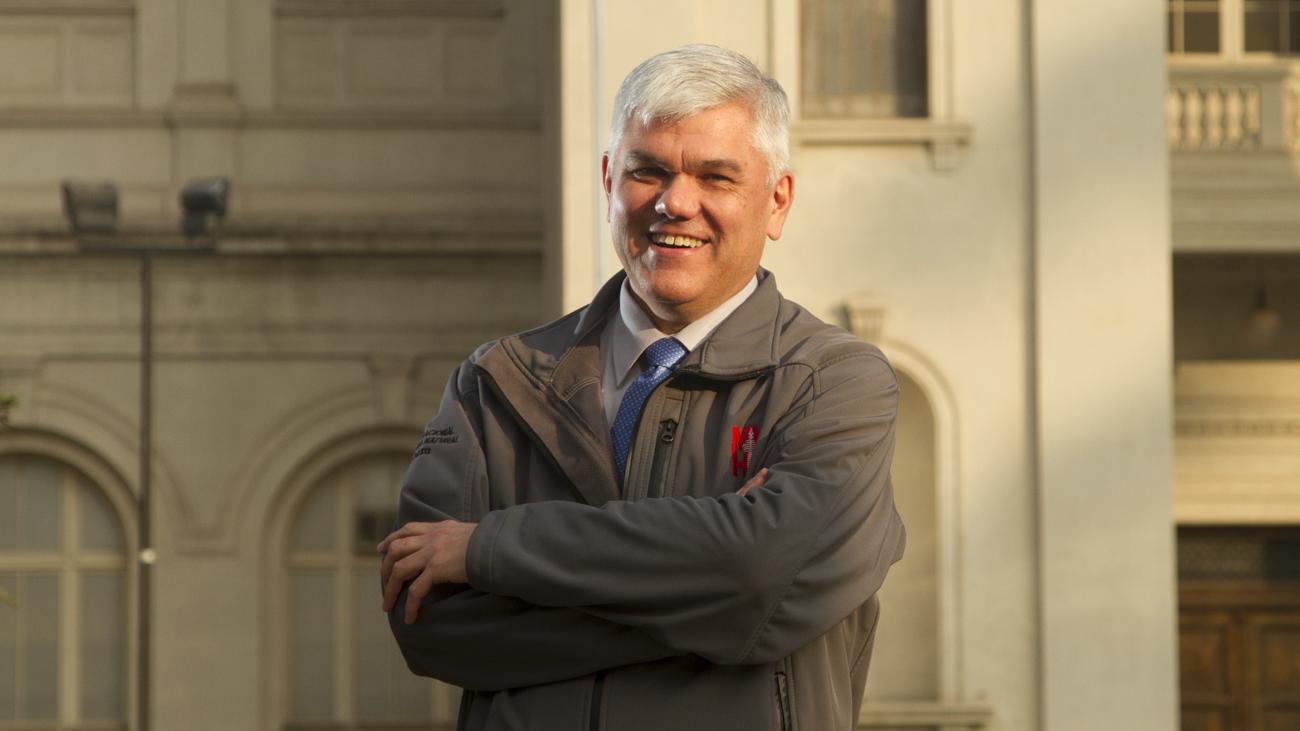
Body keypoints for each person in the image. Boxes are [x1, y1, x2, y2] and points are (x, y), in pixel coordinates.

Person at [379, 43, 905, 731]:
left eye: (716, 177)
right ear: (607, 182)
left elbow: (762, 572)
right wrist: (719, 603)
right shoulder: (494, 382)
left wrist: (489, 551)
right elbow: (429, 622)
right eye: (647, 170)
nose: (675, 202)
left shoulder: (835, 385)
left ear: (776, 202)